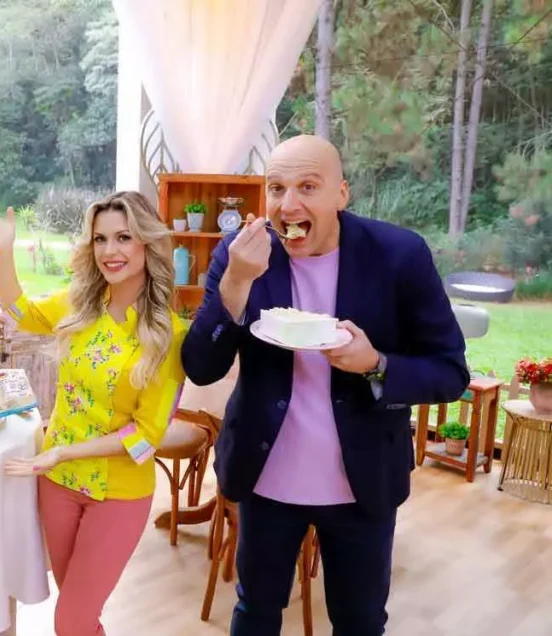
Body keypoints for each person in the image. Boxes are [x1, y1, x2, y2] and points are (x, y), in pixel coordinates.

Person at [182, 135, 470, 635]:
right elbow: (201, 367)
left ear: (341, 193)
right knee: (255, 612)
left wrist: (375, 364)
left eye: (308, 187)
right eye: (276, 188)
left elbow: (450, 372)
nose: (287, 205)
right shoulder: (241, 253)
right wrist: (236, 283)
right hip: (264, 478)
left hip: (362, 484)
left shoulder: (398, 255)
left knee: (360, 622)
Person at [0, 191, 187, 635]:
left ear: (147, 243)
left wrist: (63, 452)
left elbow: (146, 438)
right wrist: (3, 249)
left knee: (70, 621)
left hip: (117, 494)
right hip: (57, 484)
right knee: (79, 619)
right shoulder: (79, 306)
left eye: (124, 237)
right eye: (100, 239)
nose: (110, 251)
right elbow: (19, 313)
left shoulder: (168, 336)